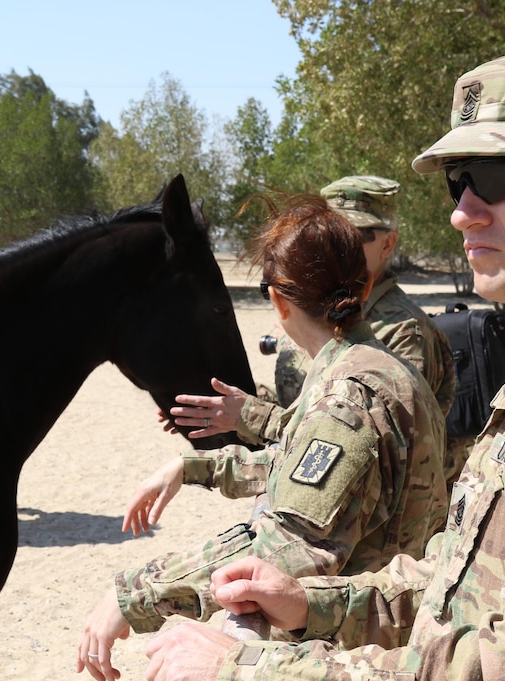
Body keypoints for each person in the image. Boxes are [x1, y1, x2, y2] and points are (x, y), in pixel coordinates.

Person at [142, 45, 505, 681]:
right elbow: (460, 582)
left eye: (496, 176)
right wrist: (313, 602)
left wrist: (247, 672)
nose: (462, 212)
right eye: (458, 181)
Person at [76, 194, 448, 681]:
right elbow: (304, 465)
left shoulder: (348, 398)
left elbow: (284, 546)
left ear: (277, 301)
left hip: (363, 666)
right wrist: (193, 469)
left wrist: (134, 595)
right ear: (366, 281)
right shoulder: (370, 366)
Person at [170, 176, 466, 482]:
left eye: (354, 234)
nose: (335, 243)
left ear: (388, 244)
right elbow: (303, 400)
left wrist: (250, 416)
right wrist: (221, 404)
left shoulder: (406, 331)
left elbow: (365, 441)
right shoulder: (313, 310)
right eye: (330, 230)